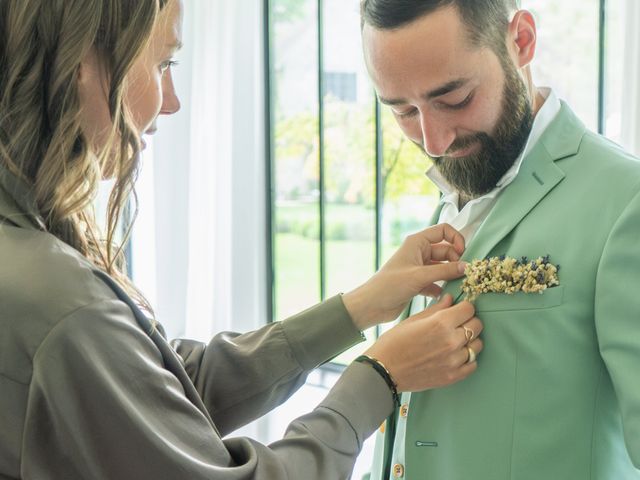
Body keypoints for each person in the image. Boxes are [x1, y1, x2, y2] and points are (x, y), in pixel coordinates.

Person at [0, 0, 486, 478]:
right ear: (83, 61)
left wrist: (360, 306)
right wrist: (380, 376)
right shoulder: (62, 305)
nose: (172, 101)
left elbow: (164, 390)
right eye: (163, 63)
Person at [361, 0, 640, 479]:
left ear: (522, 41)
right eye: (404, 111)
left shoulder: (625, 202)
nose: (433, 141)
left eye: (454, 100)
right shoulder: (452, 197)